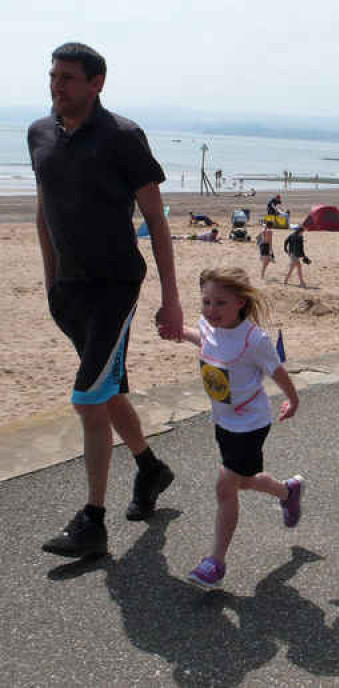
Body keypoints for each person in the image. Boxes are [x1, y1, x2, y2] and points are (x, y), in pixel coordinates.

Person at [28, 43, 184, 557]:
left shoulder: (123, 138)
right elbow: (43, 212)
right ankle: (150, 468)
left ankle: (93, 522)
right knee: (107, 390)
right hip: (68, 294)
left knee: (86, 398)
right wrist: (51, 282)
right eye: (54, 76)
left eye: (68, 78)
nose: (57, 85)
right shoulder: (39, 134)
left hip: (115, 289)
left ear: (96, 83)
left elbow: (157, 220)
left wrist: (172, 299)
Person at [176, 267, 302, 589]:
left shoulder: (254, 339)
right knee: (243, 482)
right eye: (206, 301)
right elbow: (201, 337)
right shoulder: (207, 326)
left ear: (241, 304)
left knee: (225, 486)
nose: (211, 310)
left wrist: (292, 399)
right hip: (223, 421)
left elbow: (277, 371)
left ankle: (215, 563)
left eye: (220, 303)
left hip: (250, 424)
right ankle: (288, 491)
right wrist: (179, 331)